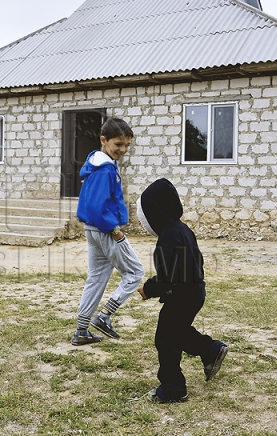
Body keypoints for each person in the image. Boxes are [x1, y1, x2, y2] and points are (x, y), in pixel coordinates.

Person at [136, 178, 228, 403]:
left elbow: (168, 276)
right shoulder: (183, 230)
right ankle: (211, 350)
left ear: (155, 212)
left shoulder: (167, 236)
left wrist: (149, 288)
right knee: (177, 332)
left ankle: (173, 388)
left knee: (165, 340)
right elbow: (198, 260)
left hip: (181, 295)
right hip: (195, 290)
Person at [72, 118, 145, 345]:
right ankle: (104, 317)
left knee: (96, 278)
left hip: (92, 229)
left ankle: (81, 331)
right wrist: (115, 231)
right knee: (135, 272)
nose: (122, 150)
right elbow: (96, 205)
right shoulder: (104, 169)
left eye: (127, 146)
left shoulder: (99, 164)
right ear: (104, 141)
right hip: (105, 230)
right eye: (118, 145)